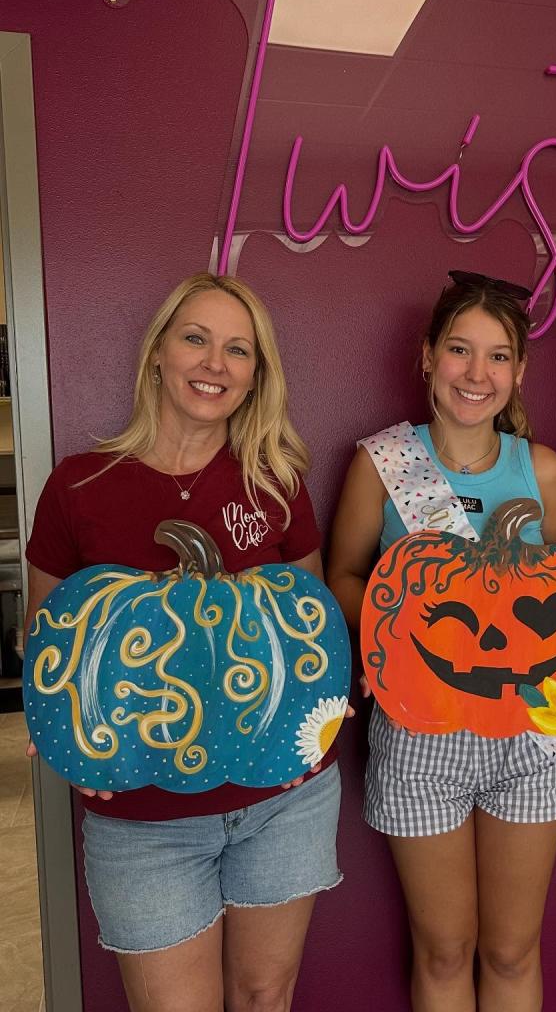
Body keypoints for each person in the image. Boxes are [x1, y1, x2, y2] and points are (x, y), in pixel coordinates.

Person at [25, 273, 343, 1012]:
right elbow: (50, 650)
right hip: (142, 817)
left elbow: (311, 636)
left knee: (266, 996)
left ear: (255, 375)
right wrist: (68, 744)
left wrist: (319, 718)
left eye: (239, 350)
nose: (215, 364)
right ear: (159, 353)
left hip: (283, 802)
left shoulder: (276, 484)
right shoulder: (79, 487)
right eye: (196, 338)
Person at [327, 270, 556, 1012]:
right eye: (461, 350)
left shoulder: (544, 470)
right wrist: (399, 635)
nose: (478, 372)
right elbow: (342, 575)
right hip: (419, 731)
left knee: (510, 949)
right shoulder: (380, 462)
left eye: (499, 356)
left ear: (519, 371)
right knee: (444, 948)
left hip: (526, 736)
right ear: (428, 356)